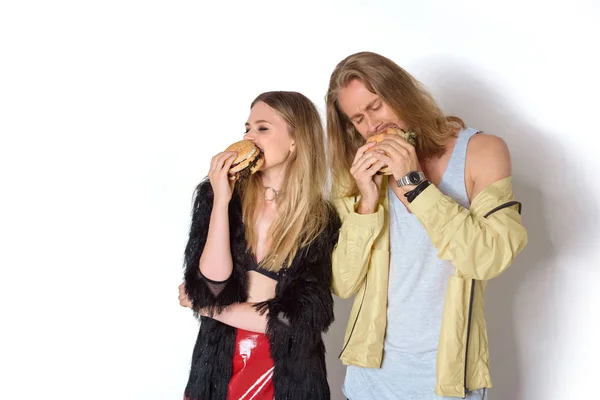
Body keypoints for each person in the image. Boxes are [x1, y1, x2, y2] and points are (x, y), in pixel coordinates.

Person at [325, 51, 528, 399]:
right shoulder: (361, 173)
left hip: (448, 382)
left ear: (401, 93)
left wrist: (413, 184)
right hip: (369, 380)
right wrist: (367, 202)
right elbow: (341, 284)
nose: (372, 125)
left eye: (376, 106)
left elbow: (487, 259)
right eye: (358, 118)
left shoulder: (482, 150)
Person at [178, 91, 340, 400]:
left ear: (296, 140)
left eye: (262, 128)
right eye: (247, 128)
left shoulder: (320, 219)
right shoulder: (217, 198)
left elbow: (296, 320)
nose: (250, 137)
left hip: (286, 376)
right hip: (217, 366)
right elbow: (211, 288)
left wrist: (208, 308)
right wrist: (221, 201)